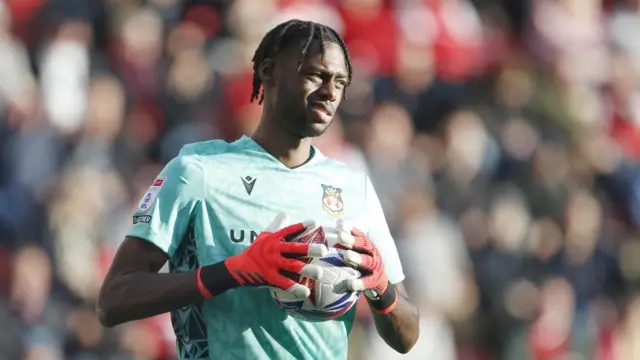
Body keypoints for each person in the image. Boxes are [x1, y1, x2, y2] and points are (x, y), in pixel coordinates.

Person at [98, 19, 419, 360]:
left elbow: (407, 338)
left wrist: (383, 289)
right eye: (316, 75)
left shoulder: (354, 187)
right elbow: (114, 299)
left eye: (340, 82)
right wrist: (234, 271)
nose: (330, 92)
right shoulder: (199, 170)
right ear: (268, 71)